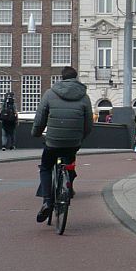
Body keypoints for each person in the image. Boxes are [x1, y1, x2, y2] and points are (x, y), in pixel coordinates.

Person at [32, 66, 93, 222]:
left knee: (45, 167)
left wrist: (36, 133)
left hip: (53, 141)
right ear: (76, 77)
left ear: (62, 77)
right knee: (69, 162)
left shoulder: (50, 93)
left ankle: (47, 201)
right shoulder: (84, 96)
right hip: (73, 142)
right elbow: (88, 124)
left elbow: (40, 118)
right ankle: (67, 187)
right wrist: (81, 137)